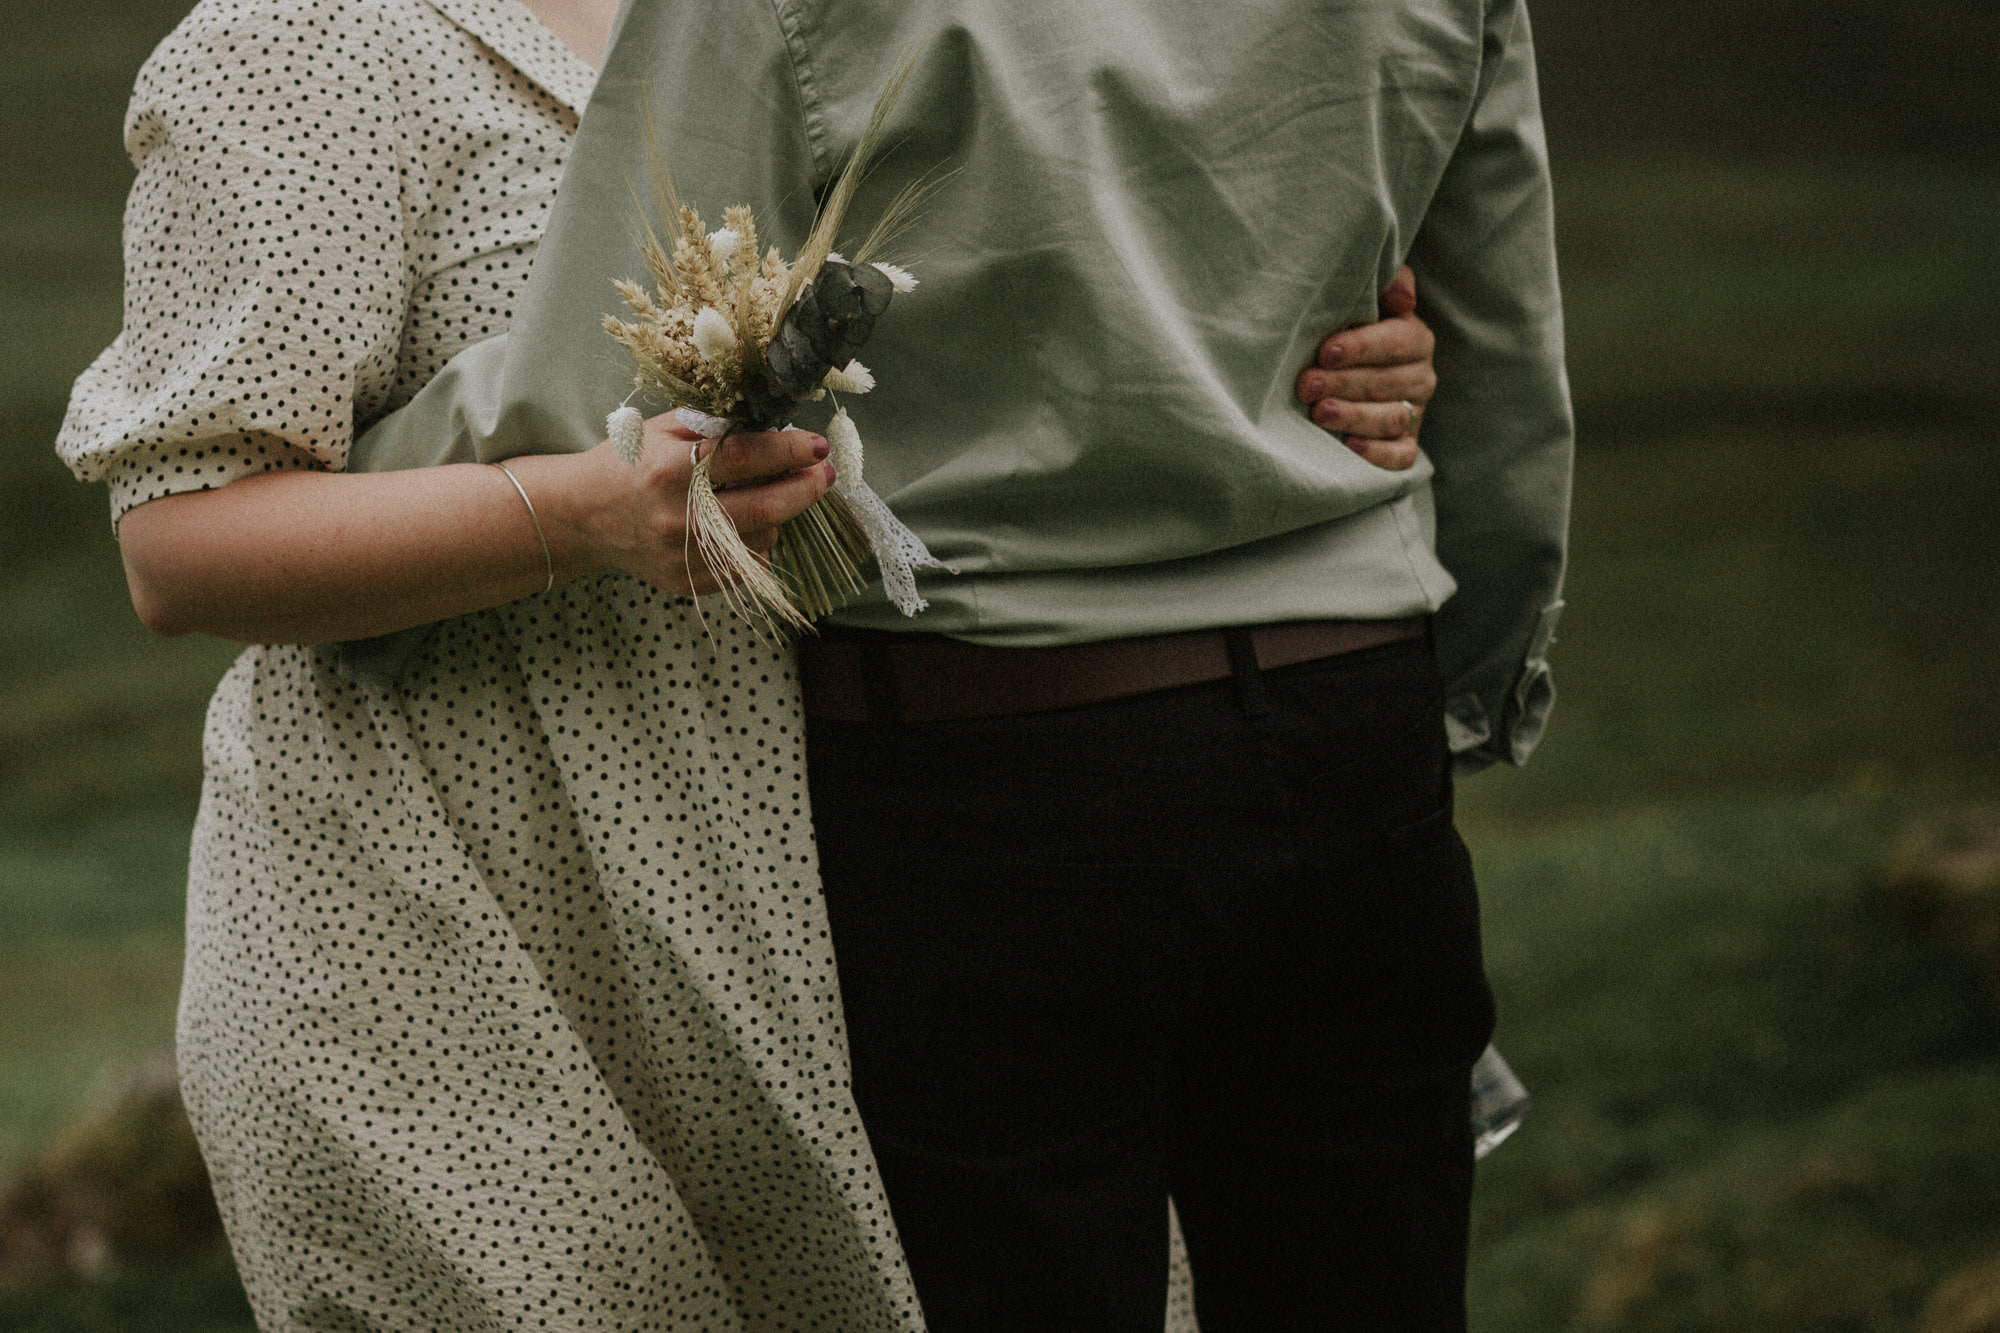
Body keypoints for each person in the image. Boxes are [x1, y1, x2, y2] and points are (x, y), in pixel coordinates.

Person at [54, 0, 1449, 1327]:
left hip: (818, 883)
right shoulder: (293, 46)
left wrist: (1321, 359)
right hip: (457, 937)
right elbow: (183, 543)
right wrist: (577, 516)